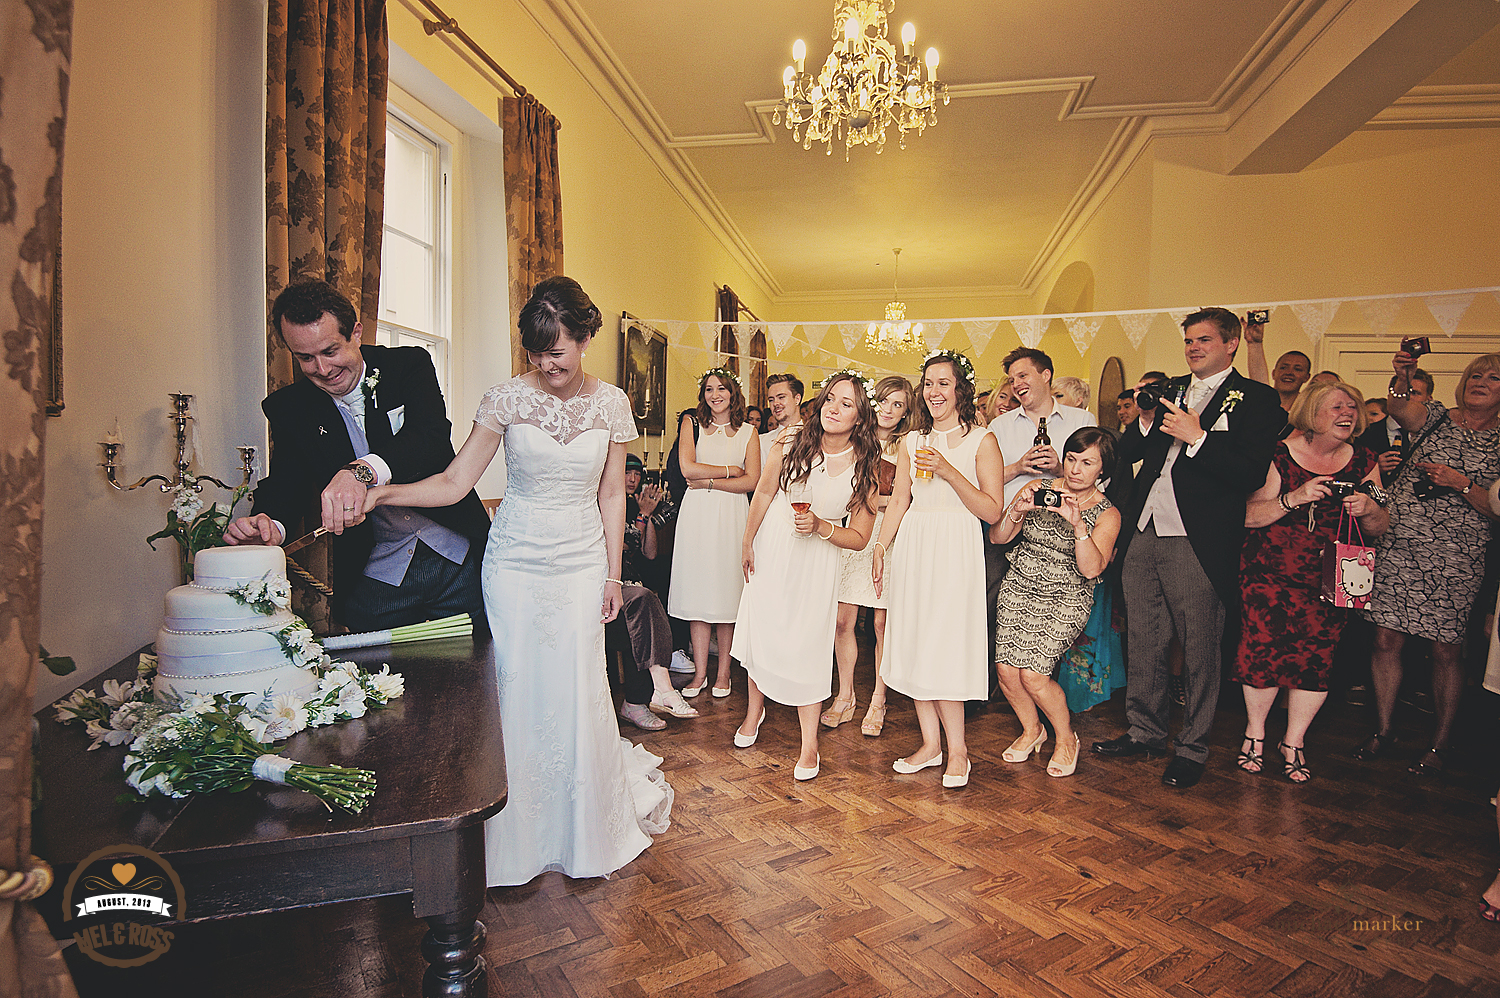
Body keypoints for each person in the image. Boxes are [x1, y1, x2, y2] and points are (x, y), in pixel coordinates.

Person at [360, 275, 672, 886]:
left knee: (579, 683)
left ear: (584, 338)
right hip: (515, 565)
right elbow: (455, 482)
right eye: (535, 354)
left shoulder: (611, 404)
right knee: (517, 684)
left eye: (556, 352)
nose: (545, 365)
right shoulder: (506, 399)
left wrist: (613, 574)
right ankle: (510, 829)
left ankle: (582, 828)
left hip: (581, 561)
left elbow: (611, 492)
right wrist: (384, 493)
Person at [224, 279, 490, 633]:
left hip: (459, 557)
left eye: (331, 351)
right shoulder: (291, 408)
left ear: (356, 333)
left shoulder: (409, 366)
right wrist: (269, 524)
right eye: (305, 357)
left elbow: (430, 438)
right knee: (377, 678)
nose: (321, 368)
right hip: (377, 572)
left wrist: (359, 471)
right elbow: (289, 479)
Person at [1093, 307, 1286, 789]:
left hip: (1198, 538)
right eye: (1188, 341)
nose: (1193, 348)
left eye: (1203, 340)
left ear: (1230, 344)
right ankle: (1144, 731)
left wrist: (1197, 437)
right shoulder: (1172, 389)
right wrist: (1143, 418)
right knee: (1144, 637)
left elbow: (1249, 472)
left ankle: (1193, 746)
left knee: (1199, 646)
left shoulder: (1258, 400)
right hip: (1144, 529)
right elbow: (1134, 454)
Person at [1233, 382, 1388, 782]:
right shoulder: (1280, 453)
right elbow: (1247, 516)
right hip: (1269, 572)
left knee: (1316, 659)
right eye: (1337, 406)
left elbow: (1383, 524)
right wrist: (1295, 497)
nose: (1348, 413)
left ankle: (1295, 741)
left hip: (1333, 578)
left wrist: (1369, 509)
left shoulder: (1364, 461)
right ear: (1311, 412)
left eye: (1353, 407)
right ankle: (1255, 734)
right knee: (1263, 653)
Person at [1355, 350, 1500, 776]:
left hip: (1460, 554)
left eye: (1493, 378)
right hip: (1400, 542)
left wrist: (1462, 483)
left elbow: (1497, 508)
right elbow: (1399, 407)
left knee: (1446, 650)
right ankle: (1384, 730)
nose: (1481, 382)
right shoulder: (1436, 416)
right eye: (1476, 375)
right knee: (1385, 640)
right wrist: (1403, 375)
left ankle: (1441, 742)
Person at [732, 373, 882, 780]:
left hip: (818, 560)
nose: (834, 408)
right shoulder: (791, 441)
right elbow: (764, 492)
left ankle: (809, 743)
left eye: (846, 404)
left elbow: (860, 536)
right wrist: (748, 541)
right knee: (763, 629)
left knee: (808, 645)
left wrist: (821, 527)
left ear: (860, 416)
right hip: (774, 546)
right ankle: (753, 712)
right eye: (830, 398)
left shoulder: (866, 465)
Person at [873, 351, 1005, 789]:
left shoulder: (982, 441)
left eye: (943, 383)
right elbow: (899, 500)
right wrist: (879, 545)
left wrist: (948, 470)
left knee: (946, 647)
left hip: (956, 550)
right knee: (914, 642)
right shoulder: (912, 441)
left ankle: (960, 753)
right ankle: (930, 745)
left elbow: (991, 509)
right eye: (928, 383)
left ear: (960, 389)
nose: (933, 392)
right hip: (915, 547)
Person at [990, 427, 1121, 779]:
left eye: (1088, 463)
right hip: (1019, 585)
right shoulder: (1038, 491)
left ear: (1102, 470)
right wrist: (1018, 507)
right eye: (1073, 459)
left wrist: (1078, 526)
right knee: (1006, 670)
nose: (1076, 468)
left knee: (1033, 674)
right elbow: (998, 536)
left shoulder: (1108, 514)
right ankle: (1033, 730)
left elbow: (1092, 568)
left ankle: (1066, 738)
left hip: (1068, 594)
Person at [668, 368, 762, 697]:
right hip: (697, 516)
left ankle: (724, 674)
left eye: (721, 388)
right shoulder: (691, 423)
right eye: (709, 389)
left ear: (733, 393)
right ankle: (699, 674)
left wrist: (709, 482)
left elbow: (752, 481)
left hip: (732, 517)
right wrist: (729, 471)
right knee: (697, 593)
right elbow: (687, 468)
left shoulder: (748, 432)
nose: (715, 394)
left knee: (725, 592)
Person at [831, 375, 914, 736]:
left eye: (899, 405)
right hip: (854, 533)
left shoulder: (908, 445)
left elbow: (906, 499)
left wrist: (876, 501)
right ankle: (845, 694)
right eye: (884, 401)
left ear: (907, 412)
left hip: (889, 536)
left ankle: (879, 698)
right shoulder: (853, 440)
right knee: (841, 621)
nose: (889, 410)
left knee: (882, 625)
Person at [616, 453, 699, 731]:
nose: (632, 479)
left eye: (637, 474)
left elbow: (648, 553)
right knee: (643, 602)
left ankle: (648, 695)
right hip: (612, 581)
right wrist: (640, 516)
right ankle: (660, 690)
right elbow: (619, 547)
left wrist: (646, 516)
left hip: (633, 583)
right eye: (627, 473)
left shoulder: (637, 506)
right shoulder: (608, 503)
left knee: (650, 598)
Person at [1245, 318, 1312, 412]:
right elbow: (1259, 384)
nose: (1289, 372)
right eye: (1283, 368)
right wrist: (1254, 343)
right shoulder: (1260, 403)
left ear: (1306, 377)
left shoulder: (1307, 410)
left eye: (1297, 369)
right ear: (1274, 373)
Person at [762, 373, 805, 465]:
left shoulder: (814, 437)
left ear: (797, 399)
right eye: (771, 400)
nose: (775, 403)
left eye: (781, 397)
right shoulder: (762, 442)